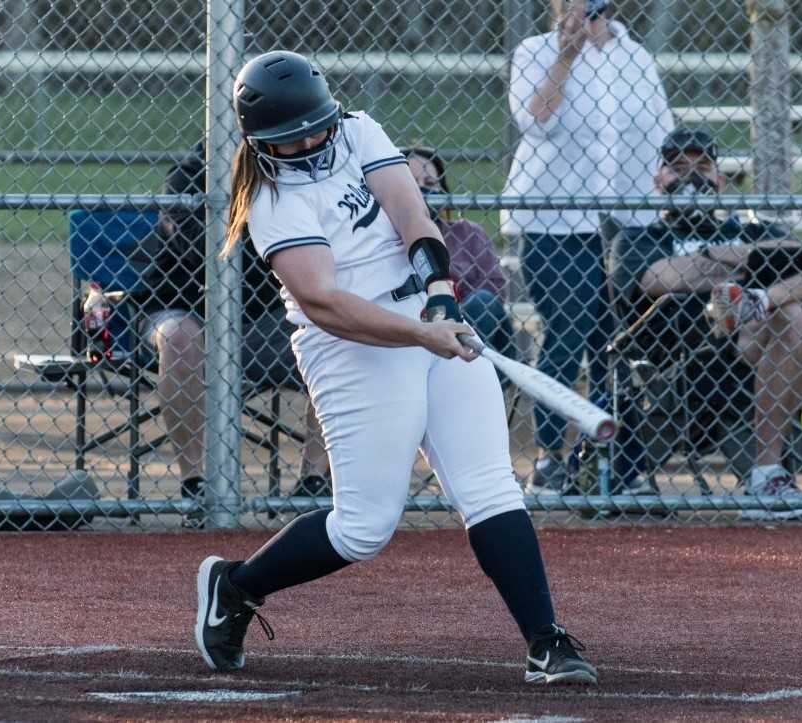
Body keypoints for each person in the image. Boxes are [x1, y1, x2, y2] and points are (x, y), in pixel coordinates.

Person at [193, 50, 596, 685]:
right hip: (351, 347)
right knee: (363, 528)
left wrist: (438, 292)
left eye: (314, 126)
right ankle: (237, 587)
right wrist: (420, 333)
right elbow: (326, 303)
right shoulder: (273, 203)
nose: (309, 142)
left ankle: (546, 641)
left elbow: (411, 211)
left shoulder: (355, 128)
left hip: (425, 320)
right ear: (259, 140)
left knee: (491, 488)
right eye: (290, 136)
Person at [611, 126, 802, 513]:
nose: (692, 177)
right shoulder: (639, 238)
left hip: (789, 336)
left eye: (703, 166)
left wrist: (729, 268)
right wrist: (752, 259)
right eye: (677, 167)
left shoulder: (753, 227)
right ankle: (767, 474)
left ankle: (760, 301)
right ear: (659, 181)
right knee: (795, 314)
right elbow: (665, 277)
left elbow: (797, 254)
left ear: (720, 179)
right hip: (698, 353)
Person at [501, 0, 674, 492]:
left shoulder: (633, 55)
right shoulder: (534, 51)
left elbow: (660, 129)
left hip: (628, 219)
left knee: (613, 343)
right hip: (556, 219)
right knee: (569, 332)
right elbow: (536, 121)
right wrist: (565, 58)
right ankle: (550, 458)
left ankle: (611, 459)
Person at [133, 141, 331, 522]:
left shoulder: (299, 170)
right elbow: (202, 250)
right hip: (181, 304)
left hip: (265, 316)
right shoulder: (188, 175)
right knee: (179, 337)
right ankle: (196, 486)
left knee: (330, 331)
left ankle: (314, 481)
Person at [403, 145, 516, 361]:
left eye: (430, 184)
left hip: (471, 322)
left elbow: (494, 287)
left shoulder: (468, 233)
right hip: (417, 328)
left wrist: (452, 305)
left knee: (481, 301)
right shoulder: (390, 239)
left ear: (443, 192)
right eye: (412, 184)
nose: (422, 190)